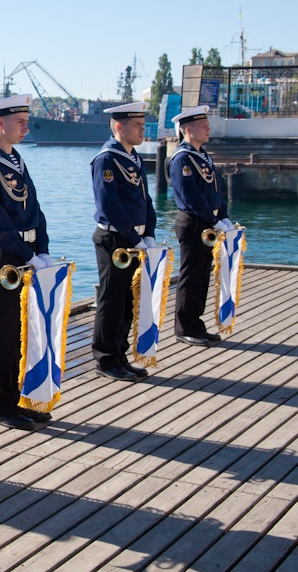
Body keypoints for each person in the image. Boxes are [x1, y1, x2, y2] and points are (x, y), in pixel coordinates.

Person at [0, 94, 52, 431]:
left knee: (21, 330)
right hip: (6, 256)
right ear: (0, 123)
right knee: (1, 331)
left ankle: (16, 399)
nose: (26, 127)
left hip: (28, 255)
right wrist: (28, 254)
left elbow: (34, 208)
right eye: (21, 121)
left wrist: (42, 249)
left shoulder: (15, 160)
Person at [90, 102, 157, 382]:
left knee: (129, 300)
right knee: (112, 299)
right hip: (115, 238)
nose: (143, 129)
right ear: (119, 127)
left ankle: (120, 355)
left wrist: (149, 233)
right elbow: (110, 204)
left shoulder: (134, 158)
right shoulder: (107, 159)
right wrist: (133, 237)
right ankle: (105, 359)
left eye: (142, 124)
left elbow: (145, 199)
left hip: (134, 238)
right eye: (137, 125)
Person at [170, 105, 232, 347]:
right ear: (187, 130)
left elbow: (215, 190)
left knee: (202, 276)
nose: (208, 129)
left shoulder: (202, 155)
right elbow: (190, 196)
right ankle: (184, 327)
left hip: (208, 222)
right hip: (195, 223)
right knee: (190, 276)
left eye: (207, 124)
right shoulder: (182, 158)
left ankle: (196, 324)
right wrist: (214, 220)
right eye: (202, 125)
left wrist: (223, 215)